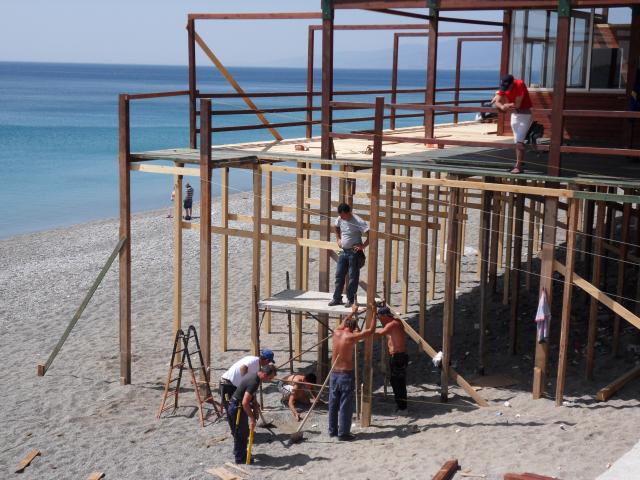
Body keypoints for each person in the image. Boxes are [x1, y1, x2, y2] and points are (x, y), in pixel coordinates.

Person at [328, 306, 376, 440]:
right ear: (354, 327)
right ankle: (343, 433)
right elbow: (371, 330)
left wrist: (352, 312)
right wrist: (374, 314)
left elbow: (344, 322)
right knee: (345, 405)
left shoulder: (336, 332)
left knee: (333, 403)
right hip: (345, 374)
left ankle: (332, 430)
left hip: (334, 373)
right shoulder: (352, 337)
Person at [227, 364, 277, 464]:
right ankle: (240, 458)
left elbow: (250, 394)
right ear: (264, 374)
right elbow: (245, 402)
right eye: (270, 378)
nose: (269, 380)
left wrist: (255, 405)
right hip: (238, 408)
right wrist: (252, 418)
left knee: (240, 433)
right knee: (242, 434)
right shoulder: (254, 381)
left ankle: (239, 452)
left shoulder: (254, 376)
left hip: (236, 405)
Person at [328, 203, 369, 308]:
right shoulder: (340, 218)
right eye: (340, 215)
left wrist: (363, 246)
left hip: (354, 252)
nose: (341, 217)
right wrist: (338, 239)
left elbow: (371, 234)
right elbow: (336, 226)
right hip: (343, 251)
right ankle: (337, 298)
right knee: (339, 275)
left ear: (348, 212)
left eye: (343, 215)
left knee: (353, 277)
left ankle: (350, 300)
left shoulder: (358, 221)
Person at [494, 74, 533, 174]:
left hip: (525, 114)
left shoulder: (520, 84)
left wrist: (506, 105)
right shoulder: (504, 85)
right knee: (517, 140)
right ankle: (519, 162)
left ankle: (518, 166)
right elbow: (496, 100)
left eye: (508, 87)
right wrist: (501, 106)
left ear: (512, 83)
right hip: (514, 114)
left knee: (519, 140)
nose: (506, 89)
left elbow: (518, 104)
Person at [375, 305, 408, 412]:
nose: (379, 319)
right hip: (399, 356)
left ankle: (402, 407)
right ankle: (401, 405)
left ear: (384, 316)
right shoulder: (395, 322)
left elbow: (379, 333)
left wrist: (364, 333)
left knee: (398, 382)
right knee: (396, 381)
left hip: (398, 356)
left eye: (379, 317)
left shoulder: (392, 324)